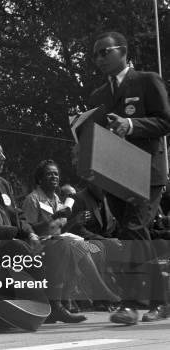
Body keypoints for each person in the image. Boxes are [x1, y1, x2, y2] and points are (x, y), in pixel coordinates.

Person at [0, 138, 83, 323]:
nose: (3, 157)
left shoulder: (3, 184)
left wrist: (31, 233)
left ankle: (55, 306)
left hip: (16, 241)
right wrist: (16, 234)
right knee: (20, 248)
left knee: (61, 245)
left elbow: (19, 216)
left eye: (2, 152)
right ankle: (22, 302)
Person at [88, 31, 170, 324]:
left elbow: (165, 121)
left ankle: (132, 303)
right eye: (95, 54)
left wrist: (132, 124)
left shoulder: (147, 80)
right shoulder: (98, 95)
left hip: (146, 171)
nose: (98, 59)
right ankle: (162, 299)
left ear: (122, 51)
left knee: (135, 228)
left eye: (104, 52)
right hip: (115, 173)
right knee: (133, 234)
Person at [21, 160, 120, 307]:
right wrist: (54, 216)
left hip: (59, 242)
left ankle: (72, 299)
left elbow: (61, 230)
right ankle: (100, 290)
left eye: (56, 174)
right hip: (40, 246)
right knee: (76, 246)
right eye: (49, 174)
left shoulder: (57, 199)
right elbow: (30, 229)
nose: (54, 177)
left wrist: (75, 221)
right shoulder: (33, 199)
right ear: (40, 179)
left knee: (95, 247)